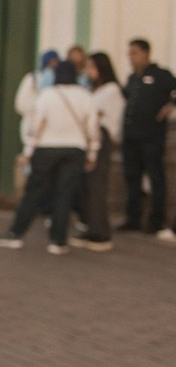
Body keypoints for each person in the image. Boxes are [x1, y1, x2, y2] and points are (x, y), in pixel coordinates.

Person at [0, 60, 99, 254]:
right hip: (75, 150)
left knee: (34, 192)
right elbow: (92, 127)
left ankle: (16, 233)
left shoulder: (47, 96)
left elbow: (36, 127)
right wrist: (92, 153)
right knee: (64, 194)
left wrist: (28, 152)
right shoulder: (85, 97)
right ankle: (58, 241)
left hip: (47, 149)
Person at [118, 38, 176, 235]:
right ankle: (133, 217)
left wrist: (170, 106)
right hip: (131, 136)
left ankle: (156, 220)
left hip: (152, 136)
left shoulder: (161, 75)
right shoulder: (133, 78)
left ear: (146, 54)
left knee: (155, 177)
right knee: (132, 177)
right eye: (130, 54)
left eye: (134, 53)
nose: (131, 58)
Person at [72, 52, 123, 251]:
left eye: (92, 67)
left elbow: (109, 118)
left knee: (96, 185)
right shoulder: (92, 90)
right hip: (87, 137)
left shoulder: (111, 90)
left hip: (101, 139)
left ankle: (101, 233)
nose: (89, 72)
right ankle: (90, 226)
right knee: (86, 185)